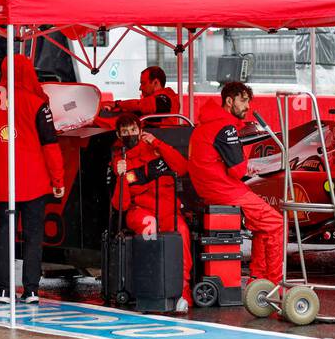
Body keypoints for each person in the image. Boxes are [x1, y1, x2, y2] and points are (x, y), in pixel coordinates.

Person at [0, 54, 64, 304]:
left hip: (2, 178)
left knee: (5, 232)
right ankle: (32, 289)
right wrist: (58, 179)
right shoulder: (36, 101)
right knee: (33, 234)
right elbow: (50, 145)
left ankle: (5, 289)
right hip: (34, 179)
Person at [187, 82, 284, 286]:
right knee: (276, 223)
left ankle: (257, 279)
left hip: (209, 188)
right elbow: (239, 171)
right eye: (243, 101)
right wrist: (245, 147)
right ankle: (275, 285)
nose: (247, 106)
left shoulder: (205, 124)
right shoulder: (225, 127)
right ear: (229, 101)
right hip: (223, 189)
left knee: (262, 225)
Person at [110, 112, 191, 312]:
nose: (130, 134)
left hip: (168, 210)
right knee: (150, 227)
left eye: (133, 130)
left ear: (140, 130)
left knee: (181, 232)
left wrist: (158, 143)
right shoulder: (120, 160)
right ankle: (152, 289)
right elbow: (121, 204)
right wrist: (121, 176)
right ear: (119, 136)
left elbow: (181, 168)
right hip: (141, 211)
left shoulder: (155, 148)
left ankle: (182, 292)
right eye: (125, 131)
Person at [105, 66, 179, 120]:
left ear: (156, 83)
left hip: (160, 138)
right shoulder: (158, 102)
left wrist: (117, 104)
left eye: (143, 83)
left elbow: (140, 105)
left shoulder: (165, 100)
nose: (140, 88)